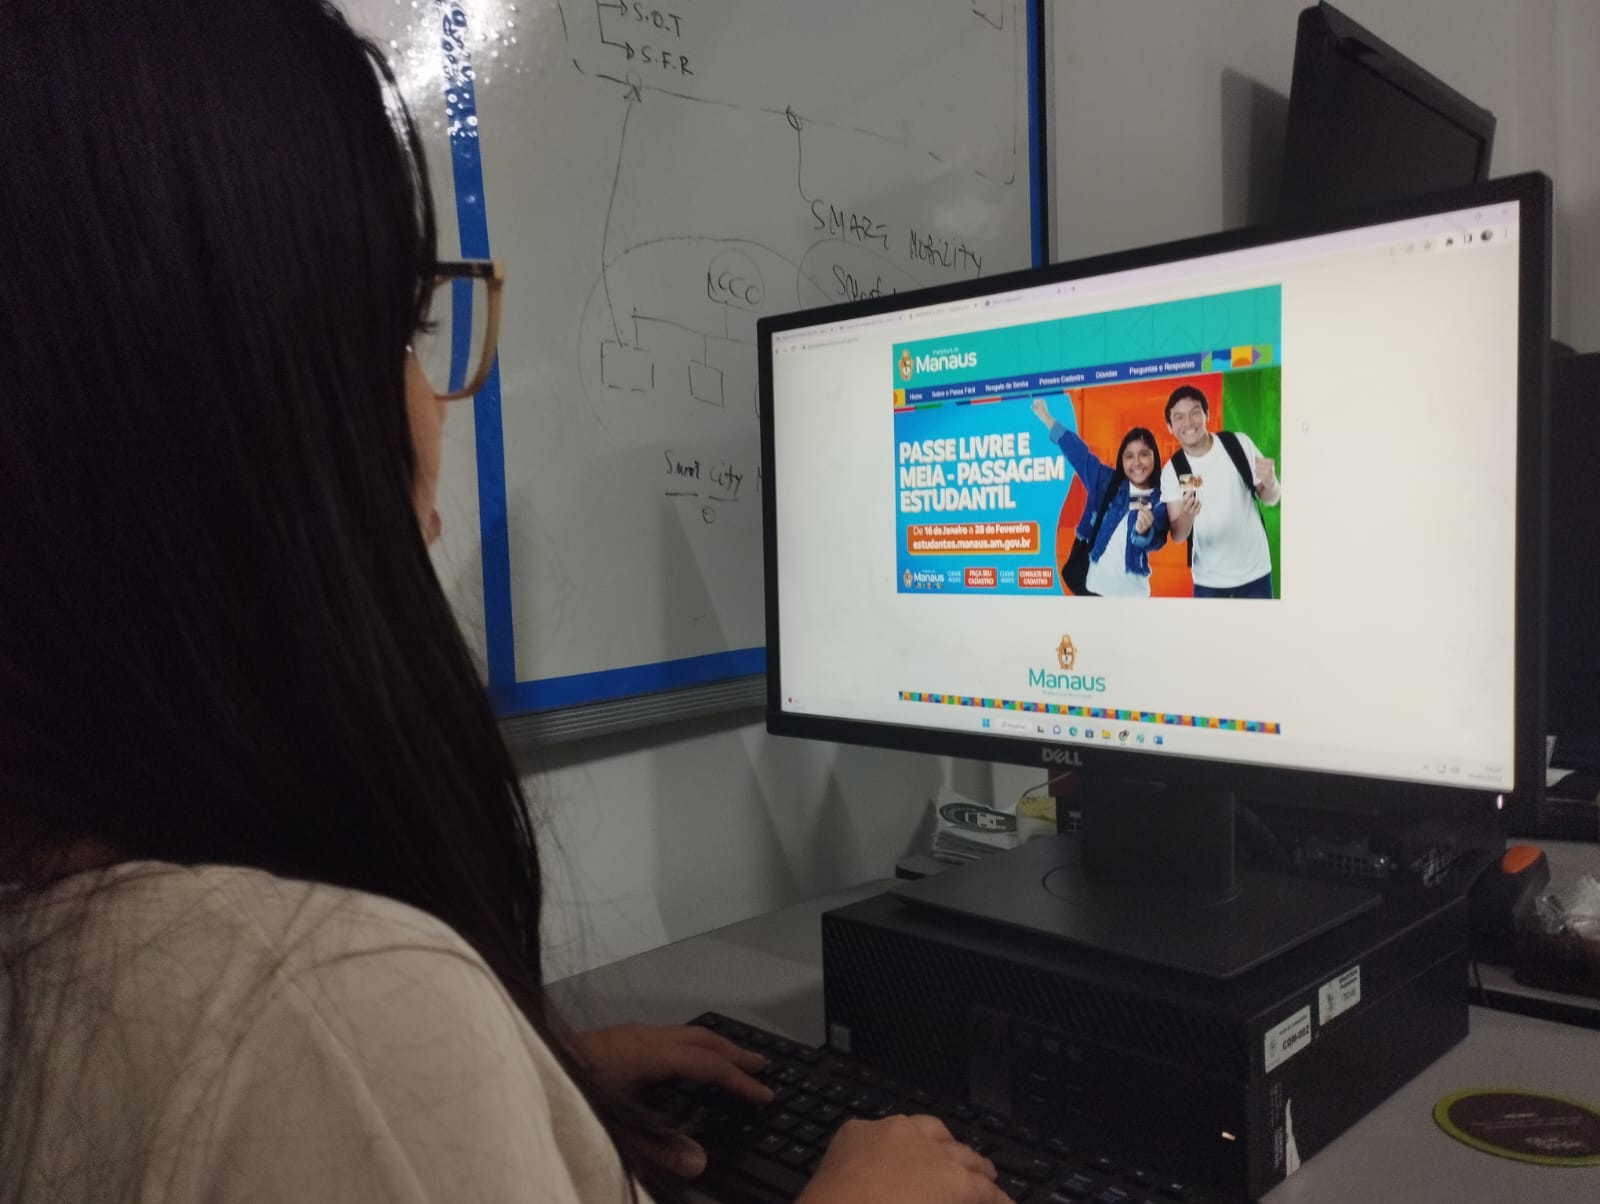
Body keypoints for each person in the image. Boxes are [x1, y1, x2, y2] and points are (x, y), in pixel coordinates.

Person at [0, 4, 1008, 1203]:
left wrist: (513, 1086)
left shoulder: (75, 917)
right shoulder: (317, 1002)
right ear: (244, 410)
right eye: (407, 327)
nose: (434, 400)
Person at [1031, 399, 1166, 597]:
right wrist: (1046, 418)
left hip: (1133, 595)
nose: (1136, 462)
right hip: (1093, 588)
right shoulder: (1106, 481)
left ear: (1154, 456)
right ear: (1121, 461)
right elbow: (1079, 454)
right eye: (1129, 456)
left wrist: (1144, 532)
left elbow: (1158, 539)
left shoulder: (1161, 497)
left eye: (1144, 454)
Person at [1159, 384, 1281, 599]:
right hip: (1208, 581)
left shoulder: (1238, 444)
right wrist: (1187, 516)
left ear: (1207, 414)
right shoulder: (1172, 470)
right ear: (1170, 427)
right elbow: (1178, 535)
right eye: (1179, 417)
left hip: (1256, 573)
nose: (1188, 422)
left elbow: (1270, 499)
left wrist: (1271, 483)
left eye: (1194, 412)